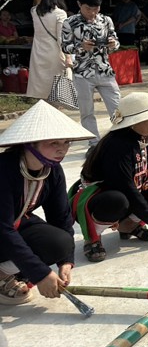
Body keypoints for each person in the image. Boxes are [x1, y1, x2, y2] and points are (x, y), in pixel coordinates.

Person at [71, 92, 148, 262]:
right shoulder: (117, 145)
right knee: (117, 199)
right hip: (102, 198)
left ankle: (130, 225)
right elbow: (125, 187)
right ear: (135, 121)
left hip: (131, 193)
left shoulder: (147, 140)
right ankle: (93, 238)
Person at [0, 101, 93, 305]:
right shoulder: (4, 170)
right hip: (3, 227)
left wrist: (66, 261)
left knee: (59, 242)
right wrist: (40, 274)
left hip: (15, 222)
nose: (62, 149)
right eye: (53, 143)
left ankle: (9, 271)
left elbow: (61, 218)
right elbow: (3, 229)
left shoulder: (52, 170)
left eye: (66, 142)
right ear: (30, 143)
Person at [60, 0, 121, 143]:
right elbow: (65, 46)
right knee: (87, 112)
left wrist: (113, 44)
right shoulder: (69, 22)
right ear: (79, 5)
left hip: (104, 70)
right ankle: (94, 145)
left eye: (96, 9)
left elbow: (116, 41)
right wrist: (81, 46)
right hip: (82, 72)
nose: (92, 13)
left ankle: (121, 140)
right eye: (88, 9)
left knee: (118, 109)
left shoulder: (106, 20)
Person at [26, 0, 68, 101]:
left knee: (41, 85)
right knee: (55, 86)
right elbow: (61, 37)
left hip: (38, 51)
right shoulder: (60, 14)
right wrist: (66, 55)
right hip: (54, 51)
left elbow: (39, 1)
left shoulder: (34, 11)